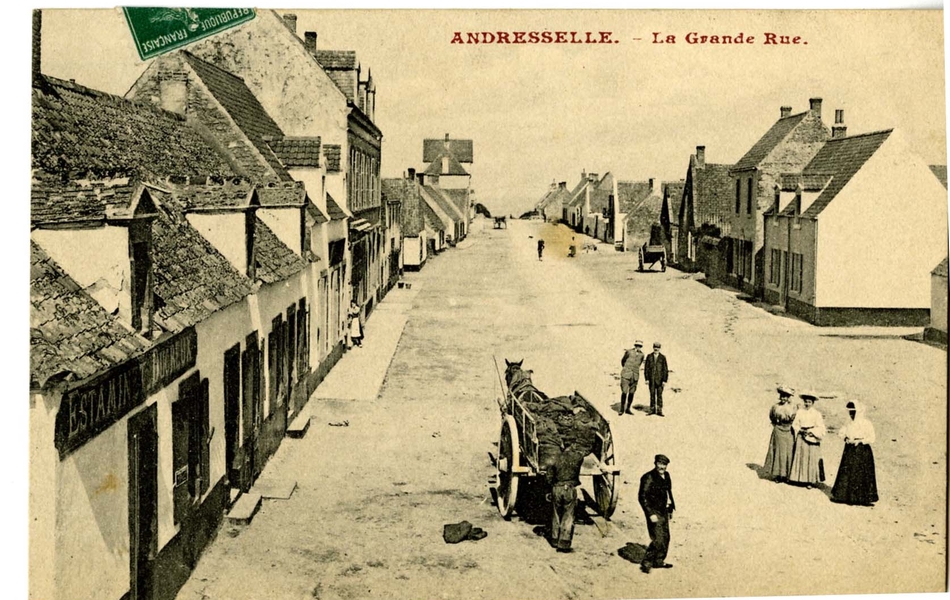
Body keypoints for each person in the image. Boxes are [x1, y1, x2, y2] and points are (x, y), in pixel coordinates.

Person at [545, 420, 595, 553]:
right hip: (570, 489)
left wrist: (552, 485)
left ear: (562, 444)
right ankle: (564, 542)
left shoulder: (554, 458)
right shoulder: (578, 457)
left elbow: (549, 476)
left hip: (557, 488)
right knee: (568, 516)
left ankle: (554, 540)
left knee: (556, 514)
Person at [831, 401, 879, 506]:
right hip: (849, 449)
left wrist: (861, 441)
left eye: (854, 412)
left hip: (862, 450)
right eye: (850, 412)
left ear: (859, 411)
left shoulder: (867, 423)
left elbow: (872, 437)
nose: (852, 415)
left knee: (861, 472)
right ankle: (843, 496)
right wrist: (845, 438)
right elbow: (841, 432)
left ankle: (862, 498)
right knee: (847, 472)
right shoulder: (848, 422)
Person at [638, 454, 676, 573]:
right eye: (660, 464)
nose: (662, 467)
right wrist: (650, 514)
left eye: (664, 465)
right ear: (655, 463)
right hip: (654, 512)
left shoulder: (667, 475)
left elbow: (668, 492)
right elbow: (642, 497)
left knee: (666, 537)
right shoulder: (648, 477)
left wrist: (671, 507)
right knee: (658, 539)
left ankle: (659, 561)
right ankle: (647, 563)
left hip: (664, 510)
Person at [788, 392, 826, 488]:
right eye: (806, 402)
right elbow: (795, 424)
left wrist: (811, 431)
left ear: (813, 403)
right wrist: (800, 430)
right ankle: (799, 479)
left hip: (811, 436)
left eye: (809, 402)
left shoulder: (817, 414)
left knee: (811, 458)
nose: (807, 404)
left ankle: (810, 481)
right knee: (801, 457)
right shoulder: (800, 412)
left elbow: (821, 427)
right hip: (801, 436)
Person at [763, 386, 798, 482]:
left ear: (789, 397)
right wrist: (777, 424)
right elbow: (771, 416)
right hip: (778, 430)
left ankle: (787, 475)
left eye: (786, 397)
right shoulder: (775, 407)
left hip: (789, 430)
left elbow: (796, 418)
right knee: (778, 451)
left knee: (788, 451)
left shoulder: (793, 407)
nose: (783, 398)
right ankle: (778, 475)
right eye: (782, 396)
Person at [619, 340, 645, 416]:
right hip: (626, 375)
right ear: (635, 345)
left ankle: (628, 409)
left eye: (640, 346)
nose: (638, 347)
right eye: (637, 345)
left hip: (635, 376)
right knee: (624, 392)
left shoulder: (642, 355)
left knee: (632, 392)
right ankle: (621, 409)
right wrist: (626, 369)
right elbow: (623, 361)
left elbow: (640, 363)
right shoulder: (629, 352)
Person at [644, 342, 669, 416]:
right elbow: (646, 369)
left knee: (659, 395)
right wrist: (647, 379)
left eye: (657, 348)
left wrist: (664, 380)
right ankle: (652, 410)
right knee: (652, 395)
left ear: (659, 348)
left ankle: (659, 410)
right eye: (655, 347)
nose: (656, 349)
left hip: (660, 380)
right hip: (651, 380)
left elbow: (665, 369)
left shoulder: (663, 357)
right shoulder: (649, 356)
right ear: (653, 348)